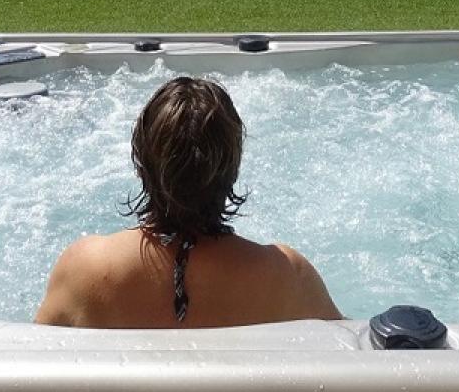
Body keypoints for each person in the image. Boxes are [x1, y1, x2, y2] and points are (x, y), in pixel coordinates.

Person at [35, 76, 343, 328]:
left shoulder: (84, 270)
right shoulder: (285, 275)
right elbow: (353, 351)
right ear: (232, 170)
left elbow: (31, 356)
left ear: (141, 165)